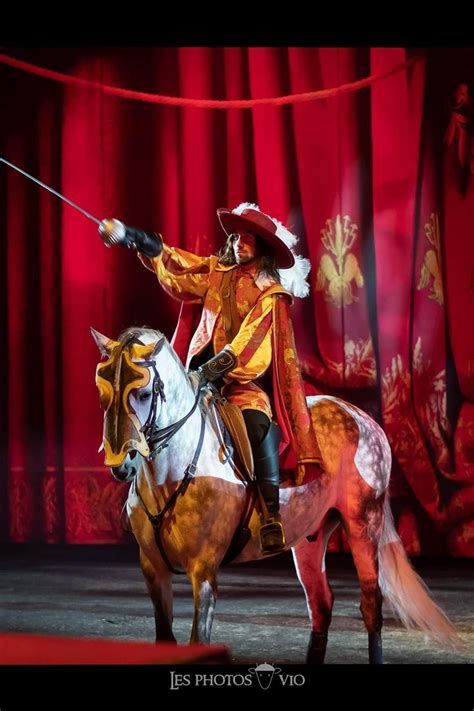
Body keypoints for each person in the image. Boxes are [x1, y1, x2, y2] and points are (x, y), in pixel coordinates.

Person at [99, 203, 321, 553]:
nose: (237, 242)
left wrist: (207, 372)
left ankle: (270, 514)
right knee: (156, 412)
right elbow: (178, 266)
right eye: (235, 236)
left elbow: (250, 347)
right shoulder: (217, 273)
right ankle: (142, 502)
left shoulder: (271, 295)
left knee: (257, 426)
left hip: (242, 386)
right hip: (199, 382)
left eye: (247, 238)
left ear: (261, 248)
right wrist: (132, 236)